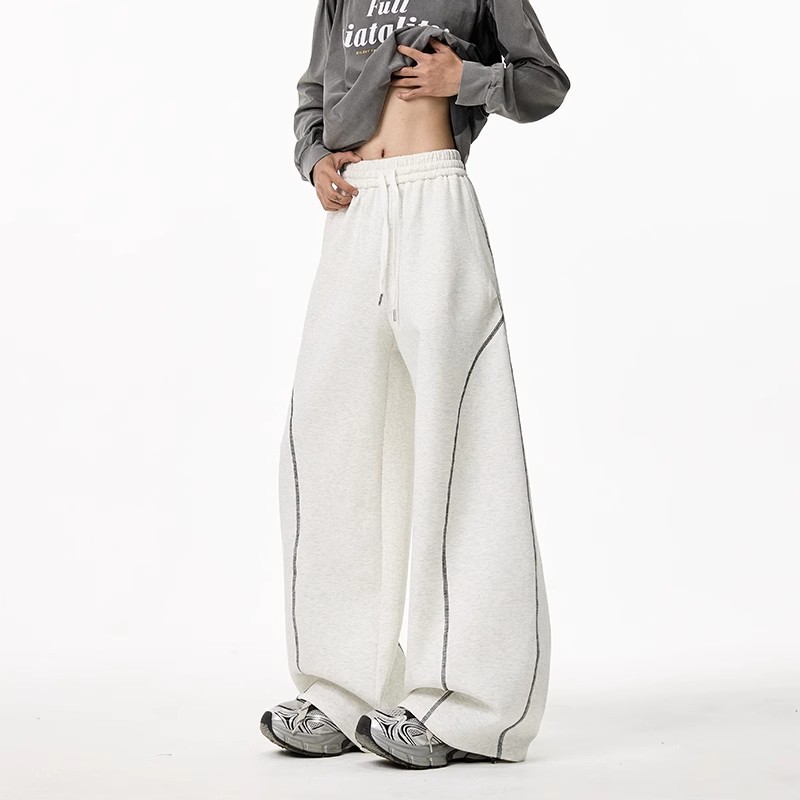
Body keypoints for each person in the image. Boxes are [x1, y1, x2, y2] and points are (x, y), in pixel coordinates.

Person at [260, 0, 570, 769]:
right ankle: (342, 690)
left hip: (436, 197)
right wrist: (314, 157)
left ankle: (473, 708)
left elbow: (543, 81)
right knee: (331, 448)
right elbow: (313, 90)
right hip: (356, 213)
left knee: (464, 450)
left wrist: (466, 79)